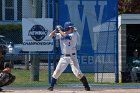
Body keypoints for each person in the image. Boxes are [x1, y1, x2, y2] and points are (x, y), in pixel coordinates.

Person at [48, 22, 90, 91]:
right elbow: (51, 36)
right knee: (57, 71)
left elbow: (67, 36)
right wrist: (56, 30)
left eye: (72, 27)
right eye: (71, 27)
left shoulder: (74, 34)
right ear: (67, 28)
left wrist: (60, 30)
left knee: (78, 73)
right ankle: (51, 86)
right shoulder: (61, 34)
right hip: (64, 57)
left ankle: (86, 86)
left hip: (72, 57)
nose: (72, 28)